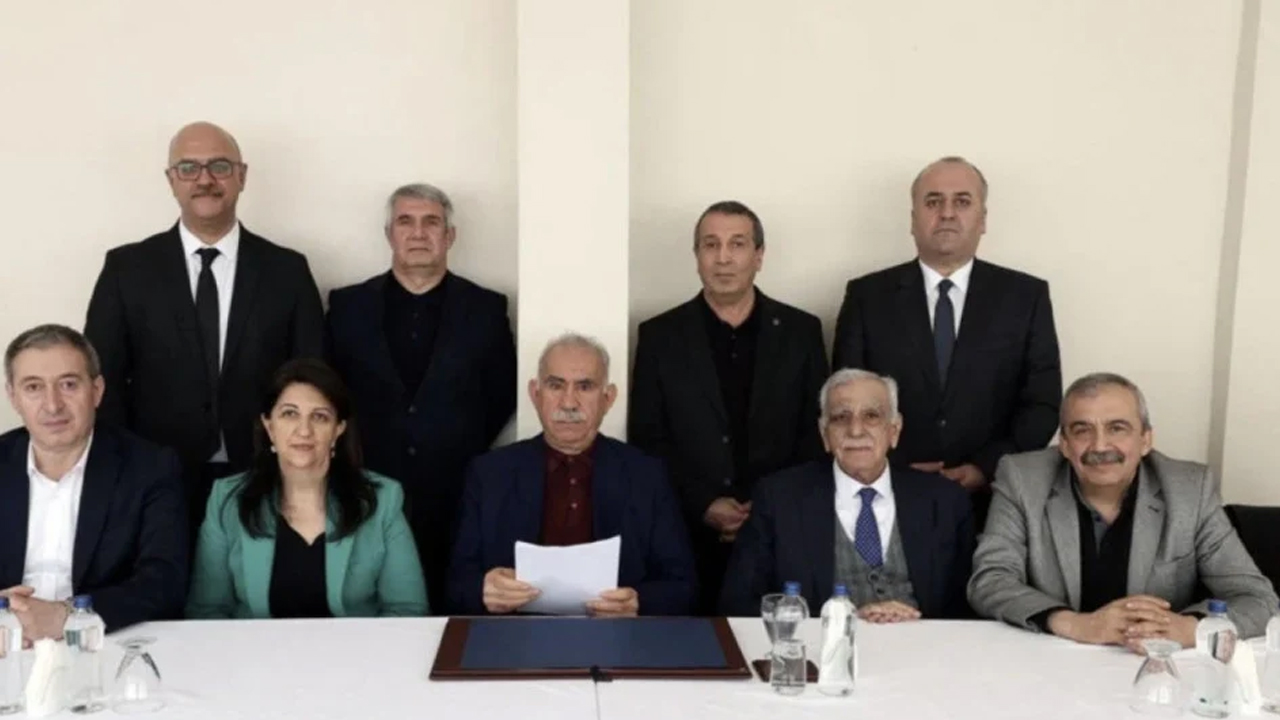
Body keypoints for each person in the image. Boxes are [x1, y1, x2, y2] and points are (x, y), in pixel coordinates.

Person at [85, 121, 326, 545]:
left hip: (264, 471)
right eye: (188, 168)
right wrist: (122, 467)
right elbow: (102, 380)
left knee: (255, 584)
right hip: (155, 475)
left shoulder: (287, 270)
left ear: (241, 176)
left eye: (219, 166)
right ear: (171, 180)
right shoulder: (127, 269)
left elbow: (311, 376)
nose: (204, 179)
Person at [968, 373, 1279, 647]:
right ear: (1064, 444)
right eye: (1082, 430)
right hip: (1052, 660)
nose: (1100, 446)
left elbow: (1257, 598)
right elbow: (990, 580)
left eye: (1117, 428)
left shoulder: (1189, 490)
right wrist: (1076, 624)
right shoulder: (1022, 479)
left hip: (1152, 665)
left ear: (1145, 440)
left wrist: (1188, 629)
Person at [831, 156, 1061, 525]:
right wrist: (894, 463)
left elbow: (1043, 403)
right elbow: (844, 400)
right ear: (913, 219)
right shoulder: (867, 297)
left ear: (983, 219)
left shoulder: (1025, 297)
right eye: (933, 201)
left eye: (962, 201)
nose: (948, 213)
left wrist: (984, 467)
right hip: (890, 494)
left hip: (995, 501)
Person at [629, 200, 828, 614]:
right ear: (696, 256)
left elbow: (816, 433)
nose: (723, 257)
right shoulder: (660, 336)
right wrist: (704, 504)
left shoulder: (802, 332)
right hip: (687, 534)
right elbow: (648, 439)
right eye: (710, 244)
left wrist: (767, 506)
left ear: (759, 256)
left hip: (780, 531)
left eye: (737, 244)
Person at [326, 183, 516, 613]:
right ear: (388, 234)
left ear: (450, 236)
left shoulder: (486, 308)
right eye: (405, 222)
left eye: (431, 222)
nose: (418, 233)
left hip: (455, 490)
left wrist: (453, 441)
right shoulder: (347, 306)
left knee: (452, 605)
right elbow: (330, 392)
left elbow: (501, 392)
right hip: (365, 487)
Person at [448, 333, 696, 616]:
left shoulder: (647, 475)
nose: (568, 403)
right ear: (535, 394)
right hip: (513, 632)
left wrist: (638, 602)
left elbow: (683, 586)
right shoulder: (489, 474)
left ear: (608, 398)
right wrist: (483, 591)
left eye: (585, 386)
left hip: (617, 633)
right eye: (555, 385)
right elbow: (455, 585)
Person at [720, 368, 974, 620]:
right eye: (841, 418)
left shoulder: (946, 501)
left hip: (923, 643)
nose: (855, 431)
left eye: (871, 416)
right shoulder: (778, 498)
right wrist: (841, 619)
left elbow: (969, 608)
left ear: (894, 430)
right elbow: (739, 602)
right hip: (824, 644)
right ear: (824, 434)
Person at [187, 358, 427, 619]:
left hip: (355, 647)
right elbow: (207, 612)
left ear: (338, 429)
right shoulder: (227, 500)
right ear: (269, 426)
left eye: (319, 417)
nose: (304, 430)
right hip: (257, 647)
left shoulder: (381, 500)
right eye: (289, 414)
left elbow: (408, 611)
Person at [0, 324, 188, 637]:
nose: (53, 405)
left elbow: (164, 582)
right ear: (13, 397)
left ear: (97, 390)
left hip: (102, 640)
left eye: (68, 385)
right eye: (33, 387)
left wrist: (68, 616)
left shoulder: (150, 467)